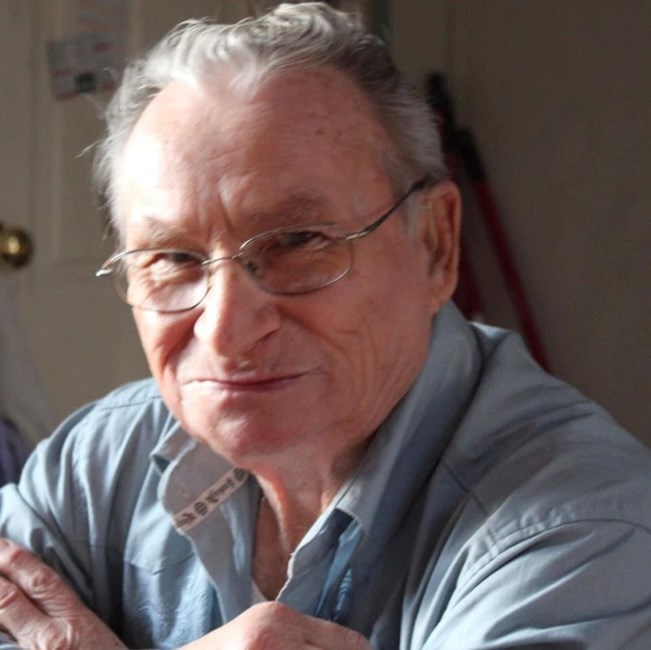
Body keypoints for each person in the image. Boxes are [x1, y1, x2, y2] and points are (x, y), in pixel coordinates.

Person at [0, 3, 649, 648]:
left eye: (298, 241)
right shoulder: (99, 461)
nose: (225, 330)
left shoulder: (582, 529)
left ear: (435, 246)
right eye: (172, 257)